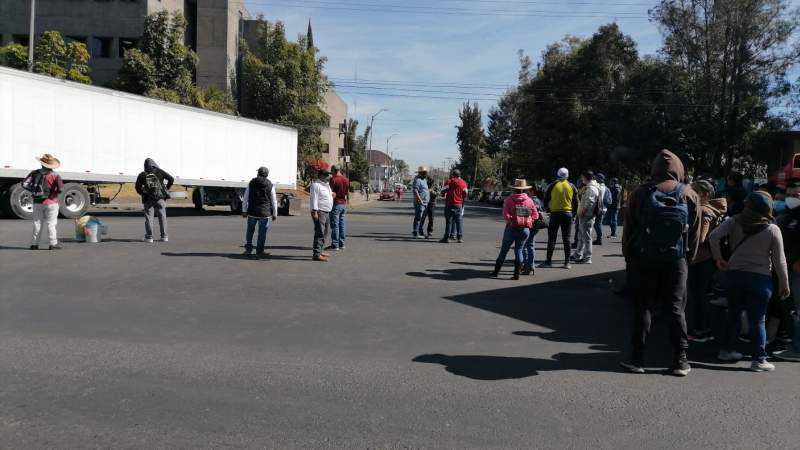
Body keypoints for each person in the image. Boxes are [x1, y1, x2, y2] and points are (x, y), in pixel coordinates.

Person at [620, 149, 701, 377]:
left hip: (643, 258)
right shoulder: (689, 193)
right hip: (676, 260)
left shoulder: (640, 193)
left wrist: (629, 255)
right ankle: (680, 360)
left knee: (642, 307)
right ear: (678, 169)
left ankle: (636, 359)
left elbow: (629, 229)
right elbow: (695, 232)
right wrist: (688, 258)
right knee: (676, 309)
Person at [710, 191, 790, 372]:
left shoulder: (734, 220)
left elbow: (714, 236)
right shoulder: (772, 228)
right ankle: (759, 360)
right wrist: (784, 284)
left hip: (734, 275)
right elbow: (780, 260)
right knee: (758, 320)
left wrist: (718, 258)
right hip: (760, 280)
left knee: (733, 315)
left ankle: (726, 350)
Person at [687, 179, 727, 343]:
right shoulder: (714, 208)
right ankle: (705, 328)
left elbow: (701, 237)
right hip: (708, 258)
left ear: (703, 194)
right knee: (703, 295)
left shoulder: (703, 210)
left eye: (693, 191)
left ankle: (700, 330)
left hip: (700, 259)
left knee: (699, 295)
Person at [492, 179, 539, 280]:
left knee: (504, 250)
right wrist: (528, 220)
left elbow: (505, 214)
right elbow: (536, 215)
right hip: (524, 229)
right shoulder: (529, 200)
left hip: (512, 227)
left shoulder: (509, 199)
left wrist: (511, 221)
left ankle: (496, 272)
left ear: (514, 189)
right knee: (519, 250)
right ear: (524, 189)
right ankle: (516, 274)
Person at [774, 194, 800, 362]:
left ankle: (797, 350)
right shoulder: (791, 215)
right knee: (790, 306)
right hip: (789, 267)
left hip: (797, 268)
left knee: (798, 310)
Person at [539, 168, 578, 269]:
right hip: (567, 214)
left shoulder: (552, 185)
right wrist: (573, 215)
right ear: (567, 175)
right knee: (567, 239)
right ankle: (567, 263)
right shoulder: (572, 186)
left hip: (555, 214)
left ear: (557, 174)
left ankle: (548, 261)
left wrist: (547, 210)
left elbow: (545, 199)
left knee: (552, 238)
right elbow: (576, 202)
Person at [26, 153, 64, 250]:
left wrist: (34, 191)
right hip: (52, 202)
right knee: (51, 223)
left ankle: (34, 244)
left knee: (37, 223)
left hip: (37, 202)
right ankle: (53, 244)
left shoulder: (34, 173)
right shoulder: (55, 175)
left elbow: (25, 184)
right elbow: (61, 189)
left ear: (42, 163)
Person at [135, 158, 174, 243]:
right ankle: (164, 236)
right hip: (160, 199)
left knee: (149, 218)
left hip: (148, 199)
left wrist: (143, 193)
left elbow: (137, 187)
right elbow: (171, 179)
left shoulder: (142, 174)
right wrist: (166, 189)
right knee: (162, 217)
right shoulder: (160, 172)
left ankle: (149, 237)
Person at [241, 167, 277, 257]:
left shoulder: (252, 182)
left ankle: (248, 249)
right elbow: (274, 200)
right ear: (267, 174)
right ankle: (259, 251)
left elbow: (245, 197)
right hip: (264, 213)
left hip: (252, 211)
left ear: (258, 173)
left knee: (250, 231)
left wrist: (244, 210)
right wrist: (275, 213)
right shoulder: (270, 184)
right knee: (262, 233)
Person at [571, 171, 600, 265]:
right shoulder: (589, 187)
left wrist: (582, 213)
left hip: (587, 215)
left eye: (583, 177)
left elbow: (589, 202)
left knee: (586, 237)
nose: (582, 179)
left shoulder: (591, 188)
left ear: (587, 178)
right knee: (581, 236)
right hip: (584, 215)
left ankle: (587, 257)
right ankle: (578, 254)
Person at [310, 168, 334, 262]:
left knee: (325, 232)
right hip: (320, 211)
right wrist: (314, 211)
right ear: (321, 176)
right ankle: (316, 254)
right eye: (327, 175)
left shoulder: (326, 185)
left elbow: (325, 195)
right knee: (320, 232)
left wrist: (332, 194)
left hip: (326, 211)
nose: (329, 177)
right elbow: (314, 199)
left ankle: (320, 250)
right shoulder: (316, 185)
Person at [439, 169, 468, 243]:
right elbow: (465, 193)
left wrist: (444, 194)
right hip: (459, 205)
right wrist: (461, 198)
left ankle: (446, 238)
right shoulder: (463, 183)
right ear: (459, 175)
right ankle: (460, 237)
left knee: (448, 222)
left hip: (449, 204)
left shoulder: (449, 182)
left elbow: (442, 191)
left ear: (453, 174)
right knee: (459, 221)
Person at [328, 166, 350, 251]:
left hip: (336, 203)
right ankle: (342, 243)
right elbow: (347, 192)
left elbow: (330, 192)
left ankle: (335, 244)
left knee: (335, 225)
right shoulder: (346, 180)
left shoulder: (333, 179)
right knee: (342, 224)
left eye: (332, 171)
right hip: (343, 203)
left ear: (334, 171)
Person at [412, 167, 431, 238]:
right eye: (424, 173)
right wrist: (420, 199)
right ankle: (415, 233)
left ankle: (419, 232)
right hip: (420, 202)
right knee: (418, 217)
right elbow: (415, 191)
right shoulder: (417, 180)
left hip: (426, 202)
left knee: (422, 218)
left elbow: (425, 189)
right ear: (420, 173)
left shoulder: (424, 180)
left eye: (426, 173)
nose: (426, 174)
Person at [593, 173, 611, 245]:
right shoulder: (607, 188)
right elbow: (609, 201)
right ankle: (598, 239)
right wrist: (605, 206)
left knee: (597, 224)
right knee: (598, 223)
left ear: (599, 179)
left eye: (596, 178)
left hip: (597, 209)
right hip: (603, 209)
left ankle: (599, 239)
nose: (595, 179)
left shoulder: (597, 187)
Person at [420, 174, 438, 238]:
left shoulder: (435, 185)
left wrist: (432, 191)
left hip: (432, 203)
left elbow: (438, 193)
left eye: (430, 179)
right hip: (425, 202)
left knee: (431, 219)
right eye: (428, 179)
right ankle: (420, 231)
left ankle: (429, 231)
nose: (429, 180)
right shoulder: (424, 184)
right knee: (422, 217)